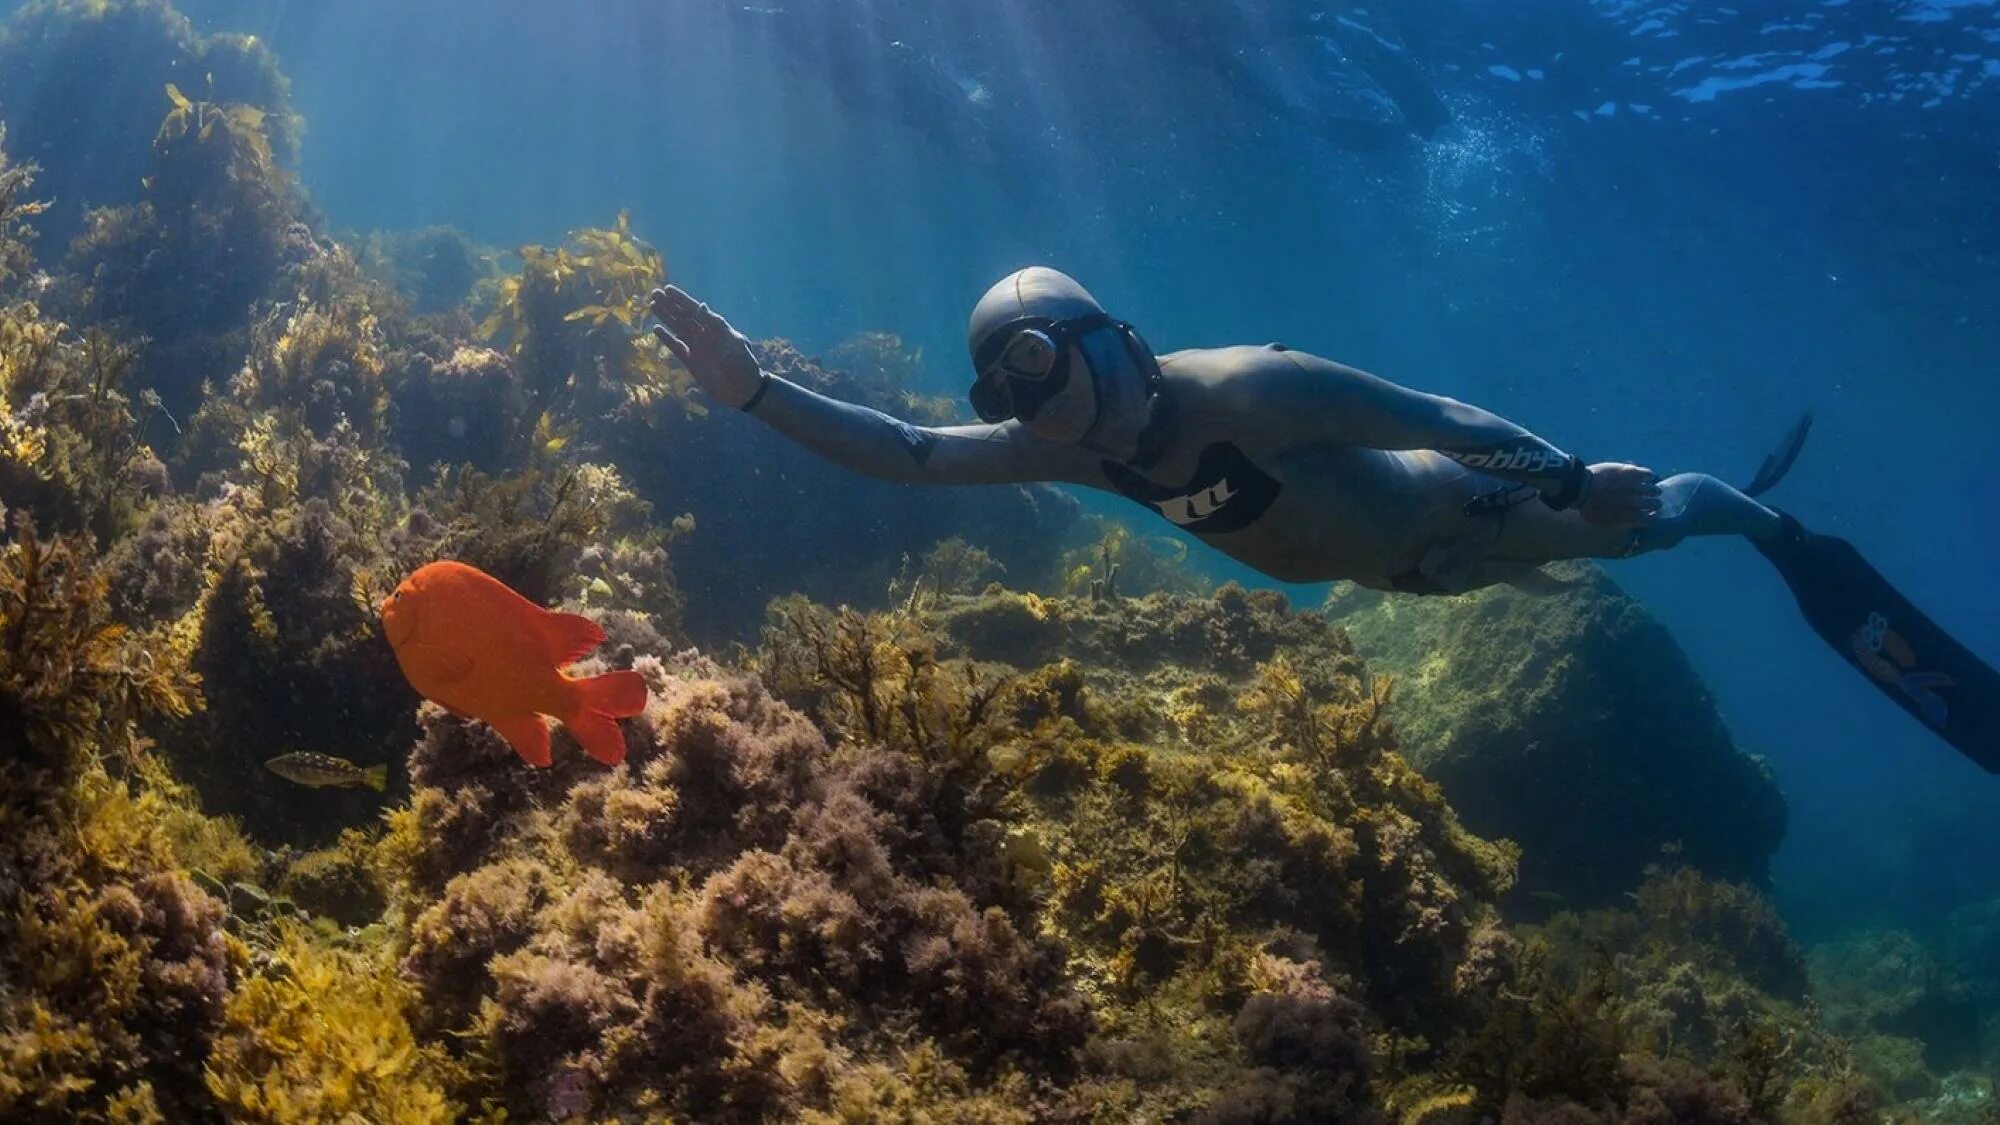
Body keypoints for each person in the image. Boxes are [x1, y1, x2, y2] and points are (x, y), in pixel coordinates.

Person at [649, 267, 1997, 769]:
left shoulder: (1257, 387)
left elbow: (1438, 412)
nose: (1036, 413)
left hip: (1470, 511)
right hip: (1410, 578)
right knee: (1603, 535)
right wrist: (757, 392)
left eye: (1044, 374)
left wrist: (1568, 479)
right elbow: (910, 453)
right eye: (1008, 394)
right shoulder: (1076, 447)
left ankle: (1764, 521)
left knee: (1658, 523)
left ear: (1114, 337)